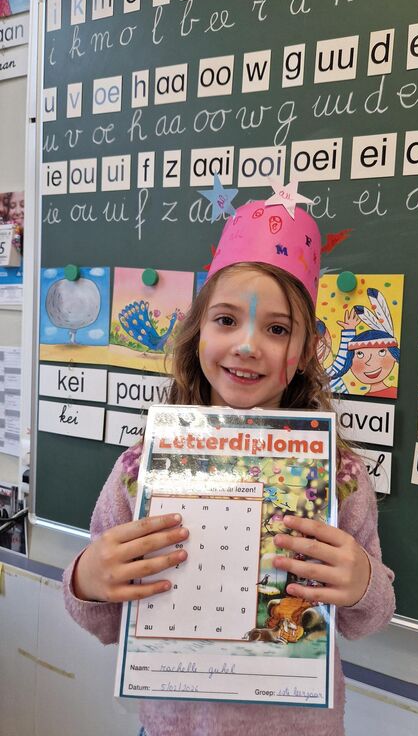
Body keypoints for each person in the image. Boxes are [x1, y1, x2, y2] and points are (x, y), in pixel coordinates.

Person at [63, 199, 395, 736]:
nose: (246, 345)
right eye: (226, 320)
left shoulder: (339, 475)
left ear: (307, 350)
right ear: (198, 332)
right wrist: (86, 578)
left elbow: (369, 617)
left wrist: (361, 583)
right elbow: (101, 618)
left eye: (278, 330)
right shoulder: (142, 467)